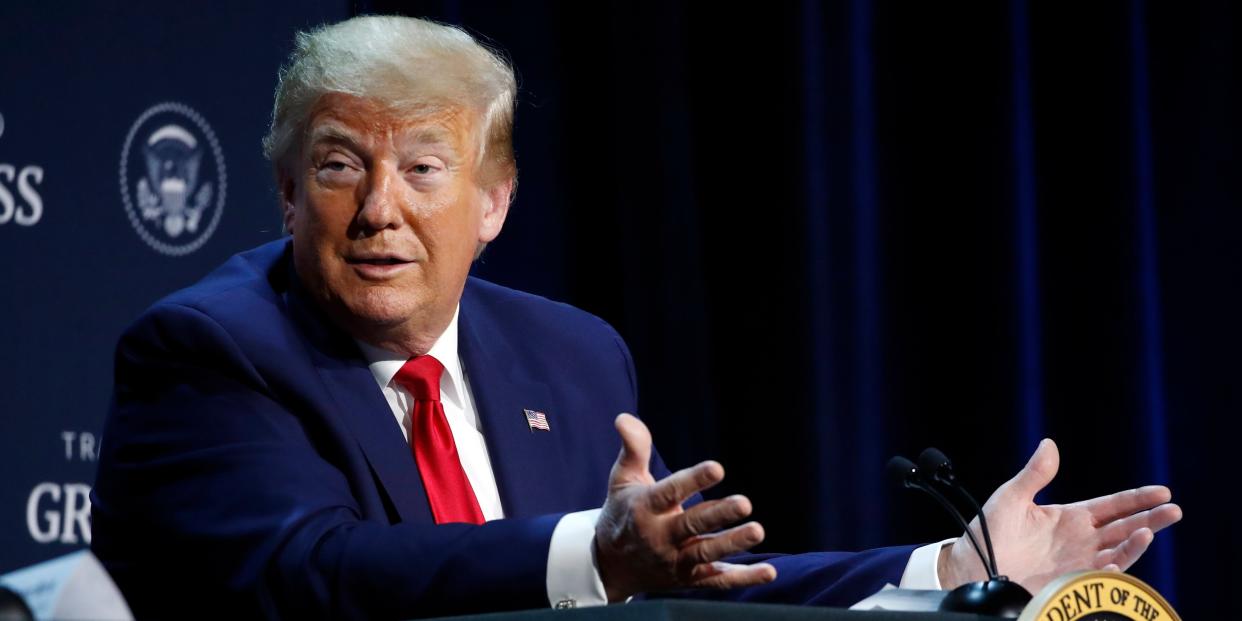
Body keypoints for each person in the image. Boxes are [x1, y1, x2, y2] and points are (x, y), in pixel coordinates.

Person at [90, 15, 1182, 620]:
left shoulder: (569, 355)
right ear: (286, 195)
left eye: (424, 168)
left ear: (494, 203)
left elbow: (675, 585)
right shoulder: (211, 352)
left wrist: (952, 570)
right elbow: (316, 580)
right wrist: (596, 554)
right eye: (338, 167)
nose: (380, 209)